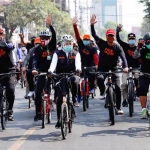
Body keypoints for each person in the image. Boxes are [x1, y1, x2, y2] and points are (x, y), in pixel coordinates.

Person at [90, 15, 128, 114]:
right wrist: (92, 25)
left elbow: (123, 57)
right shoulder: (102, 44)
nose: (110, 37)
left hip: (114, 68)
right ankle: (102, 92)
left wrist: (125, 67)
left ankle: (119, 108)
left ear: (114, 37)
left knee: (118, 88)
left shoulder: (117, 47)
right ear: (106, 37)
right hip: (103, 68)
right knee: (100, 79)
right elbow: (94, 35)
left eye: (112, 36)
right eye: (109, 36)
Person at [48, 34, 81, 128]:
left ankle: (74, 99)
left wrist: (78, 70)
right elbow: (53, 64)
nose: (68, 45)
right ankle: (59, 119)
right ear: (62, 44)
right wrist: (50, 71)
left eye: (70, 43)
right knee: (59, 99)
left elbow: (78, 64)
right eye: (66, 43)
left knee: (75, 81)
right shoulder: (57, 53)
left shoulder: (76, 53)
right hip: (60, 76)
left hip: (71, 75)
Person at [32, 15, 56, 121]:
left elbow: (54, 35)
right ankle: (38, 113)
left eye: (46, 38)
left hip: (52, 71)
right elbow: (35, 60)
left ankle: (57, 102)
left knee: (59, 88)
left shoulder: (51, 46)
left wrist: (50, 26)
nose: (44, 40)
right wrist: (34, 69)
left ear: (49, 39)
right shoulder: (37, 49)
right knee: (37, 92)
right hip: (41, 72)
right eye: (42, 38)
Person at [72, 16, 99, 94]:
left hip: (91, 66)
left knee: (92, 75)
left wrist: (97, 64)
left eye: (87, 40)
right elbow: (77, 35)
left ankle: (92, 87)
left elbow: (96, 57)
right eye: (84, 40)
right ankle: (78, 91)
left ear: (90, 41)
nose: (85, 41)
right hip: (81, 65)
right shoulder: (80, 44)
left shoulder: (93, 48)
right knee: (77, 78)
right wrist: (74, 25)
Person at [116, 24, 140, 107]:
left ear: (135, 39)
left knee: (138, 78)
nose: (131, 40)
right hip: (126, 68)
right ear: (128, 39)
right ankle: (125, 99)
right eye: (130, 39)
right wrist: (118, 30)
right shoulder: (125, 46)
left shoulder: (138, 48)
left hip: (136, 68)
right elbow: (118, 40)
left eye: (133, 39)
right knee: (124, 85)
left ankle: (137, 91)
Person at [0, 28, 16, 120]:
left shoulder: (7, 42)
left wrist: (2, 42)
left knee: (10, 89)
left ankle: (10, 110)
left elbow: (10, 46)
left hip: (9, 70)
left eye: (1, 34)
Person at [133, 32, 150, 118]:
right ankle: (144, 110)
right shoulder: (142, 49)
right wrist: (138, 48)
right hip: (144, 73)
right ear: (145, 42)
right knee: (142, 89)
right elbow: (135, 56)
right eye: (148, 42)